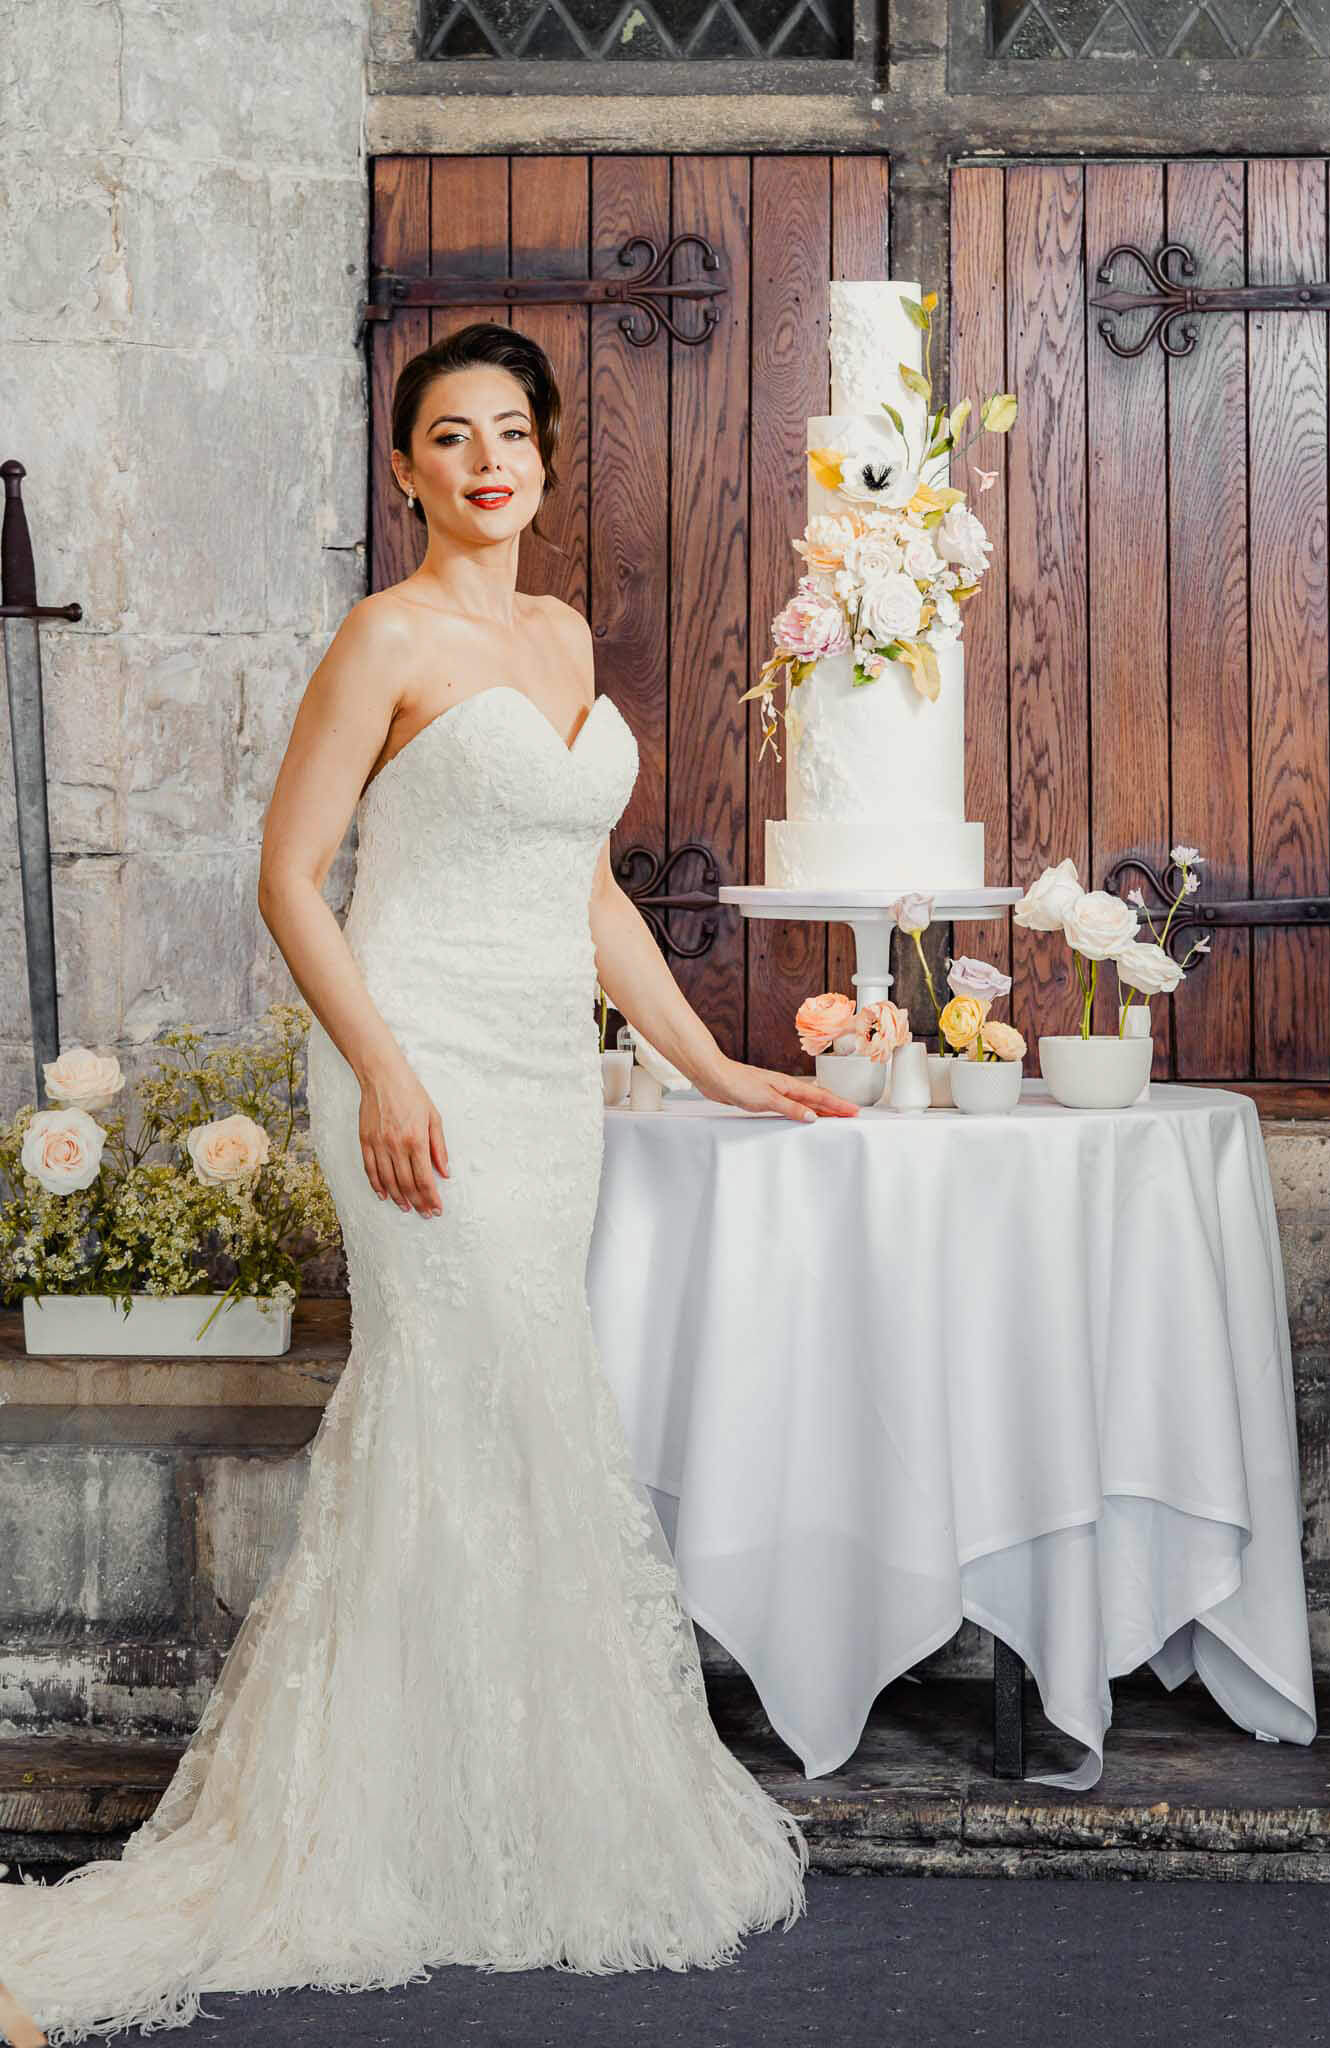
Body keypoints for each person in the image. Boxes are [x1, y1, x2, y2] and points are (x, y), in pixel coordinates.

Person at [0, 320, 859, 2045]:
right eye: (447, 435)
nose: (484, 459)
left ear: (544, 462)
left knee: (527, 1408)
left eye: (511, 434)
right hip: (411, 1063)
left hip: (543, 1079)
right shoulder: (382, 634)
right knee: (462, 1392)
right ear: (403, 469)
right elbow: (289, 878)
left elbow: (586, 888)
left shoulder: (559, 633)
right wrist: (383, 1063)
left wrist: (705, 1059)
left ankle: (510, 1813)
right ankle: (365, 1832)